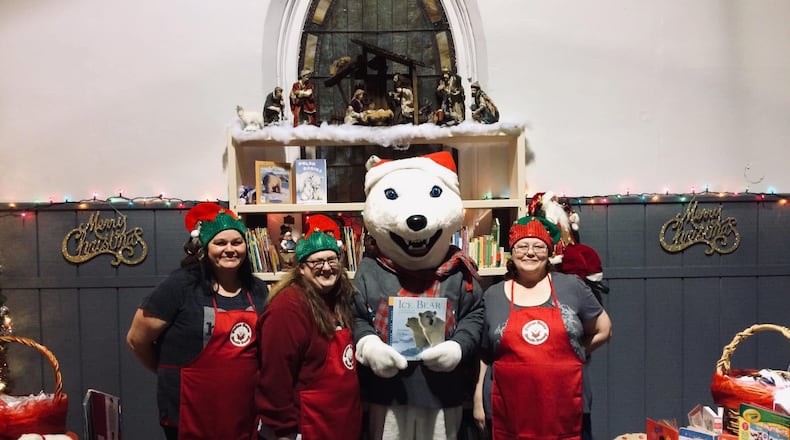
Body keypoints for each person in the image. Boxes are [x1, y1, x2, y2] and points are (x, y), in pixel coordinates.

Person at [126, 202, 269, 440]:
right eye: (220, 243)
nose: (230, 249)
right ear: (204, 247)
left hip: (244, 413)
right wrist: (168, 372)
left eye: (237, 242)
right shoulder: (181, 286)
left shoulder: (258, 290)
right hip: (189, 413)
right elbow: (136, 340)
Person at [473, 216, 612, 440]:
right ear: (512, 251)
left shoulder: (572, 287)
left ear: (548, 252)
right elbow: (484, 353)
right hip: (509, 408)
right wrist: (478, 397)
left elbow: (604, 329)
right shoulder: (493, 295)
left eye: (538, 246)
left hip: (566, 405)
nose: (530, 252)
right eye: (522, 246)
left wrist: (576, 353)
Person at [255, 229, 362, 440]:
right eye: (317, 262)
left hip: (343, 422)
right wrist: (283, 430)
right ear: (301, 268)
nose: (326, 267)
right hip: (309, 425)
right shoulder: (287, 309)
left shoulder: (341, 300)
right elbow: (276, 377)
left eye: (332, 260)